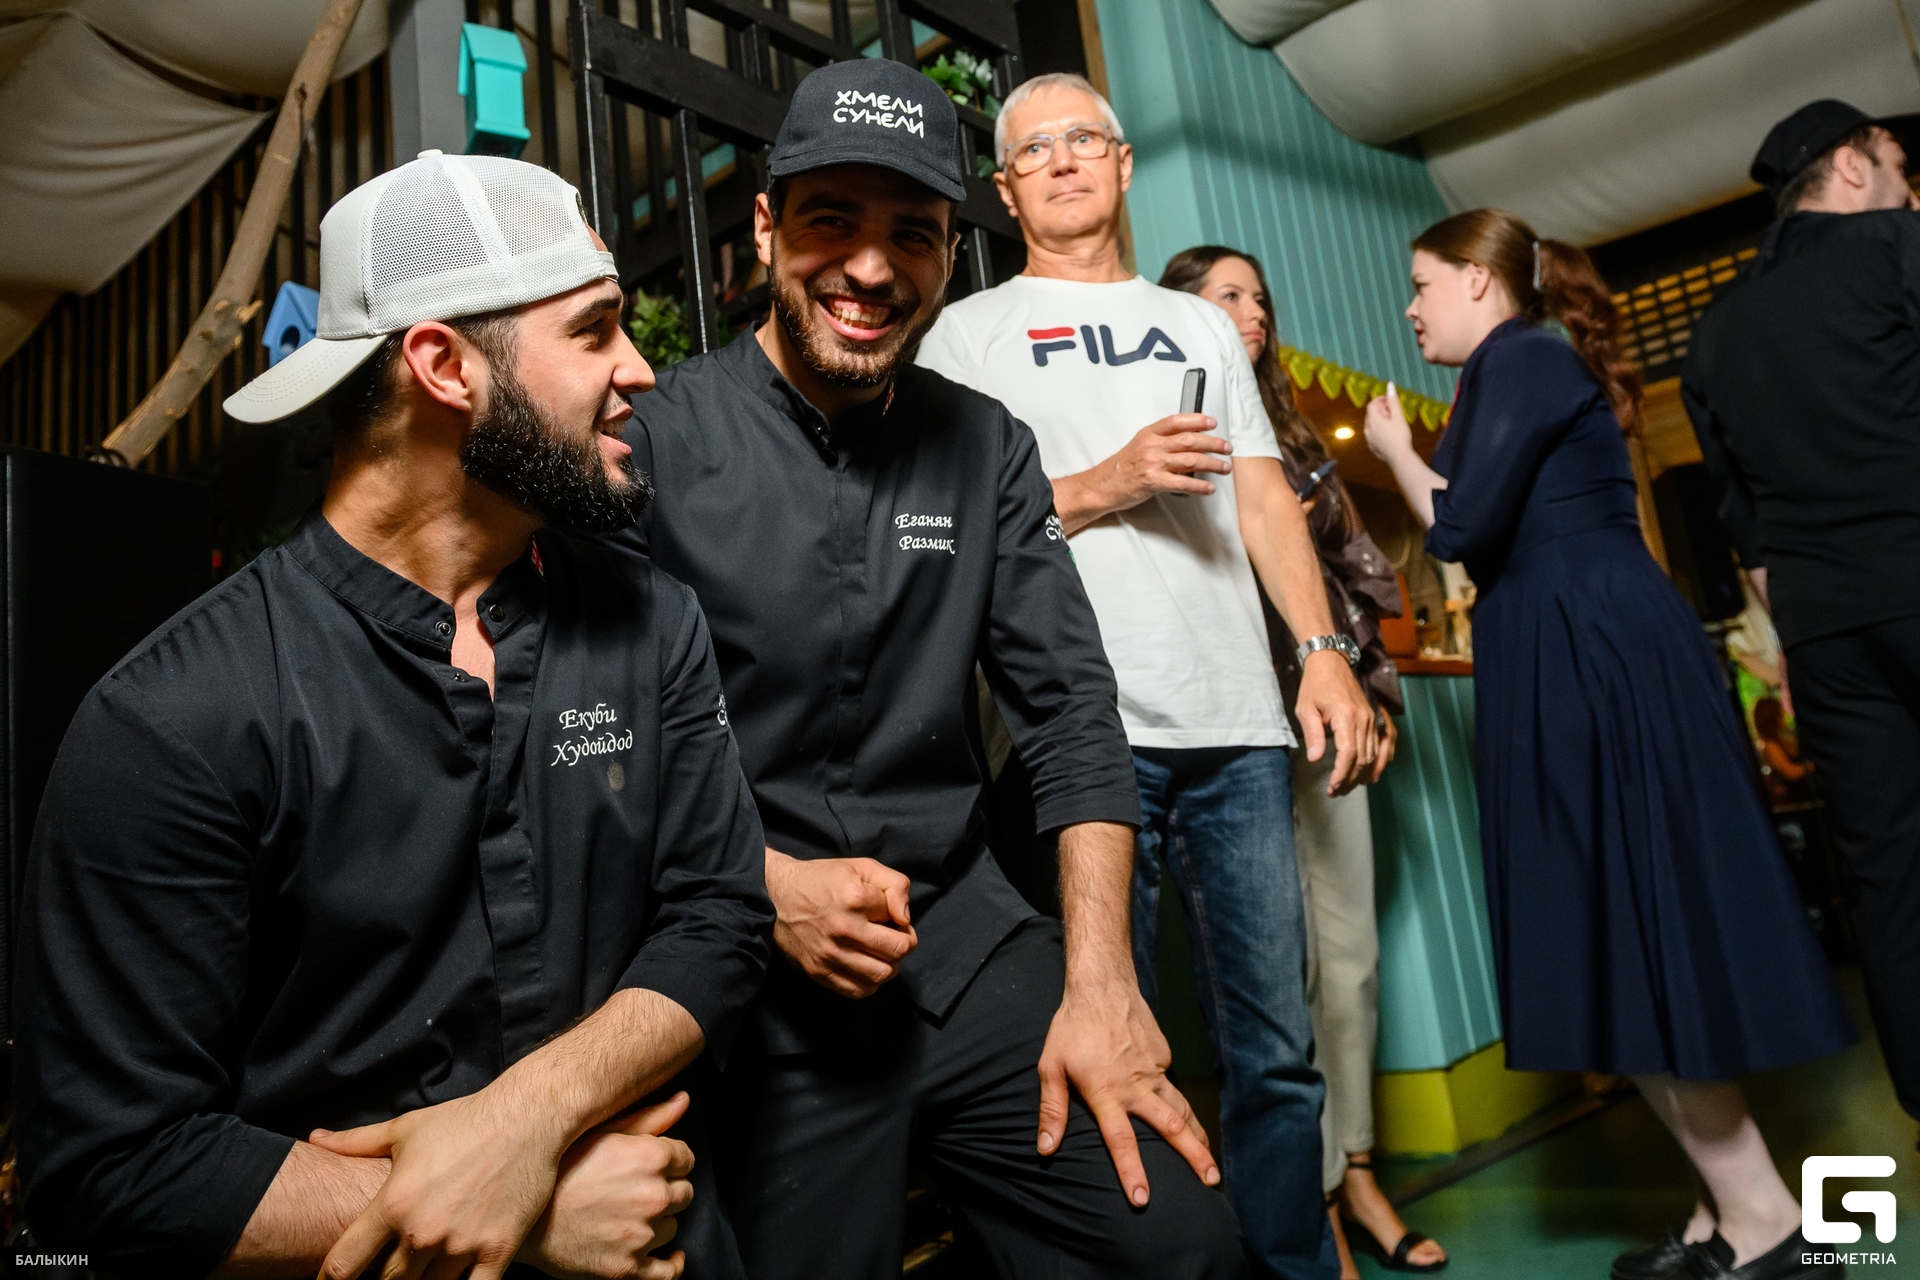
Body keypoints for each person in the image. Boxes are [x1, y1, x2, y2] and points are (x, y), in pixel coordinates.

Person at [13, 152, 774, 1279]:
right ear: (444, 365)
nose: (640, 369)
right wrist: (521, 1213)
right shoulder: (174, 716)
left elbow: (719, 915)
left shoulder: (651, 620)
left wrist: (522, 1123)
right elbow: (112, 1167)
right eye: (594, 330)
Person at [615, 59, 1244, 1280]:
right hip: (749, 965)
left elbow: (1072, 715)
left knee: (1180, 1242)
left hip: (962, 941)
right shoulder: (656, 440)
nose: (870, 267)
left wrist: (1103, 983)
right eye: (831, 221)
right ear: (765, 226)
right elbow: (595, 743)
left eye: (911, 232)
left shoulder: (987, 446)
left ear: (950, 254)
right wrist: (760, 885)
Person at [917, 72, 1380, 1280]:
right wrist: (1104, 482)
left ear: (1123, 164)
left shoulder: (1202, 326)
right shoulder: (969, 335)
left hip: (1237, 727)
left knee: (1276, 1048)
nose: (1065, 160)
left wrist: (1322, 652)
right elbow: (948, 526)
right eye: (1036, 150)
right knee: (1105, 1037)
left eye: (1085, 138)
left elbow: (1263, 495)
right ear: (1006, 189)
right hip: (1077, 739)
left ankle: (1286, 1264)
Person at [1363, 207, 1855, 1280]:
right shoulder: (1509, 368)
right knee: (1612, 933)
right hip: (1570, 644)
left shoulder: (1523, 356)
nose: (1409, 307)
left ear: (1480, 280)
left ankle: (1765, 1216)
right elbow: (1480, 523)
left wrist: (1396, 451)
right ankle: (1723, 1212)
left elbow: (1459, 529)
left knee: (1632, 923)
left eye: (1423, 283)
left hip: (1589, 652)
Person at [1161, 245, 1445, 1277]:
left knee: (1351, 958)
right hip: (1227, 726)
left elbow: (1360, 575)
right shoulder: (1168, 424)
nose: (1253, 311)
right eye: (1226, 295)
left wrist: (1373, 693)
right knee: (1277, 978)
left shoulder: (1295, 439)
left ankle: (1358, 1170)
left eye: (1260, 297)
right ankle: (1309, 1197)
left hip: (1325, 716)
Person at [1683, 98, 1920, 1127]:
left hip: (1825, 635)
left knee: (1890, 879)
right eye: (1898, 163)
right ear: (1852, 167)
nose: (1909, 186)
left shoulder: (1714, 334)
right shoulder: (1897, 247)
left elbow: (1750, 536)